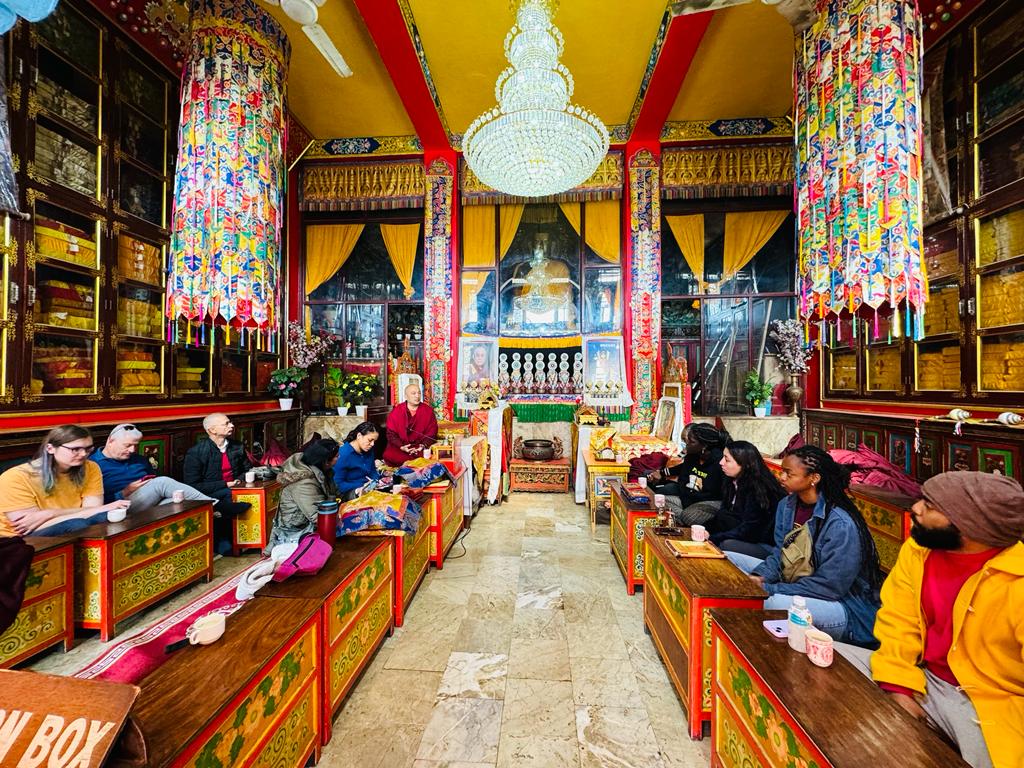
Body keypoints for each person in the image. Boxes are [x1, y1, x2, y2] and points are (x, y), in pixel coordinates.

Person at [837, 471, 1024, 768]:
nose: (916, 508)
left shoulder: (1018, 581)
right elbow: (898, 620)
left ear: (968, 525)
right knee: (821, 658)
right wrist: (897, 686)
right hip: (921, 675)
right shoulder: (919, 550)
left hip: (990, 701)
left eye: (930, 505)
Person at [726, 445, 882, 646]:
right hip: (793, 582)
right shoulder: (787, 505)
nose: (781, 477)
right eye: (782, 471)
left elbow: (829, 586)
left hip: (840, 605)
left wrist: (769, 587)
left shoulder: (840, 524)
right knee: (727, 558)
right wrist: (759, 576)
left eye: (788, 473)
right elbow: (780, 552)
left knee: (766, 601)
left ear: (813, 478)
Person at [0, 425, 130, 536]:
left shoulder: (90, 467)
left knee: (109, 516)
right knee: (77, 524)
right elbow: (28, 526)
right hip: (18, 538)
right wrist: (98, 509)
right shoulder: (15, 477)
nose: (84, 454)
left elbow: (93, 510)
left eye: (88, 449)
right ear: (50, 448)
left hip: (69, 522)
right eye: (75, 449)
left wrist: (50, 513)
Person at [91, 424, 216, 507]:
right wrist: (125, 491)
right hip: (118, 505)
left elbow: (152, 482)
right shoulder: (93, 464)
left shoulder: (139, 460)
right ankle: (213, 504)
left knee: (182, 502)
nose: (132, 450)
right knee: (162, 482)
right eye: (127, 445)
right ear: (110, 441)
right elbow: (93, 505)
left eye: (136, 445)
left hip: (148, 502)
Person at [182, 413, 253, 551]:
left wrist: (239, 480)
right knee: (228, 495)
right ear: (212, 430)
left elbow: (247, 469)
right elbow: (192, 485)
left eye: (230, 422)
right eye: (226, 424)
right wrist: (226, 484)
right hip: (210, 491)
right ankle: (226, 540)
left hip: (237, 487)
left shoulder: (237, 446)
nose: (231, 425)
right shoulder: (196, 452)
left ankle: (249, 538)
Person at [709, 440, 785, 559]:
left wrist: (713, 538)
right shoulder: (731, 480)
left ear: (745, 464)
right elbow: (725, 513)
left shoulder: (759, 489)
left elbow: (751, 531)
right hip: (740, 533)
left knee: (725, 545)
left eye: (727, 459)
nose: (721, 462)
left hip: (764, 543)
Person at [265, 438, 340, 552]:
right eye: (336, 456)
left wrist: (355, 494)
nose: (339, 458)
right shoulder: (304, 483)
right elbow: (318, 517)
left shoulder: (324, 472)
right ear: (326, 461)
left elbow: (336, 495)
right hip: (295, 534)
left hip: (310, 526)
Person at [647, 423, 728, 524]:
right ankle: (684, 519)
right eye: (687, 440)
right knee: (657, 501)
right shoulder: (692, 456)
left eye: (691, 442)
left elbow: (715, 494)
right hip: (687, 501)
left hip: (707, 504)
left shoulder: (720, 462)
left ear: (704, 445)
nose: (687, 444)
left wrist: (692, 500)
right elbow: (683, 480)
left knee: (688, 516)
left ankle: (681, 518)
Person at [382, 382, 438, 466]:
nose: (417, 396)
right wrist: (401, 446)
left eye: (419, 393)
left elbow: (432, 432)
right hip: (401, 447)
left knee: (430, 455)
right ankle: (412, 463)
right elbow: (391, 433)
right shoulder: (397, 411)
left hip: (419, 447)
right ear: (406, 396)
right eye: (413, 393)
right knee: (390, 454)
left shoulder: (428, 411)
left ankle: (411, 463)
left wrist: (422, 446)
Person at [334, 422, 380, 501]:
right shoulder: (343, 454)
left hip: (369, 489)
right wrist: (362, 485)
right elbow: (338, 485)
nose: (372, 444)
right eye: (370, 440)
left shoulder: (369, 450)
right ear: (359, 436)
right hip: (350, 493)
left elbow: (372, 471)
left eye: (374, 441)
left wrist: (376, 481)